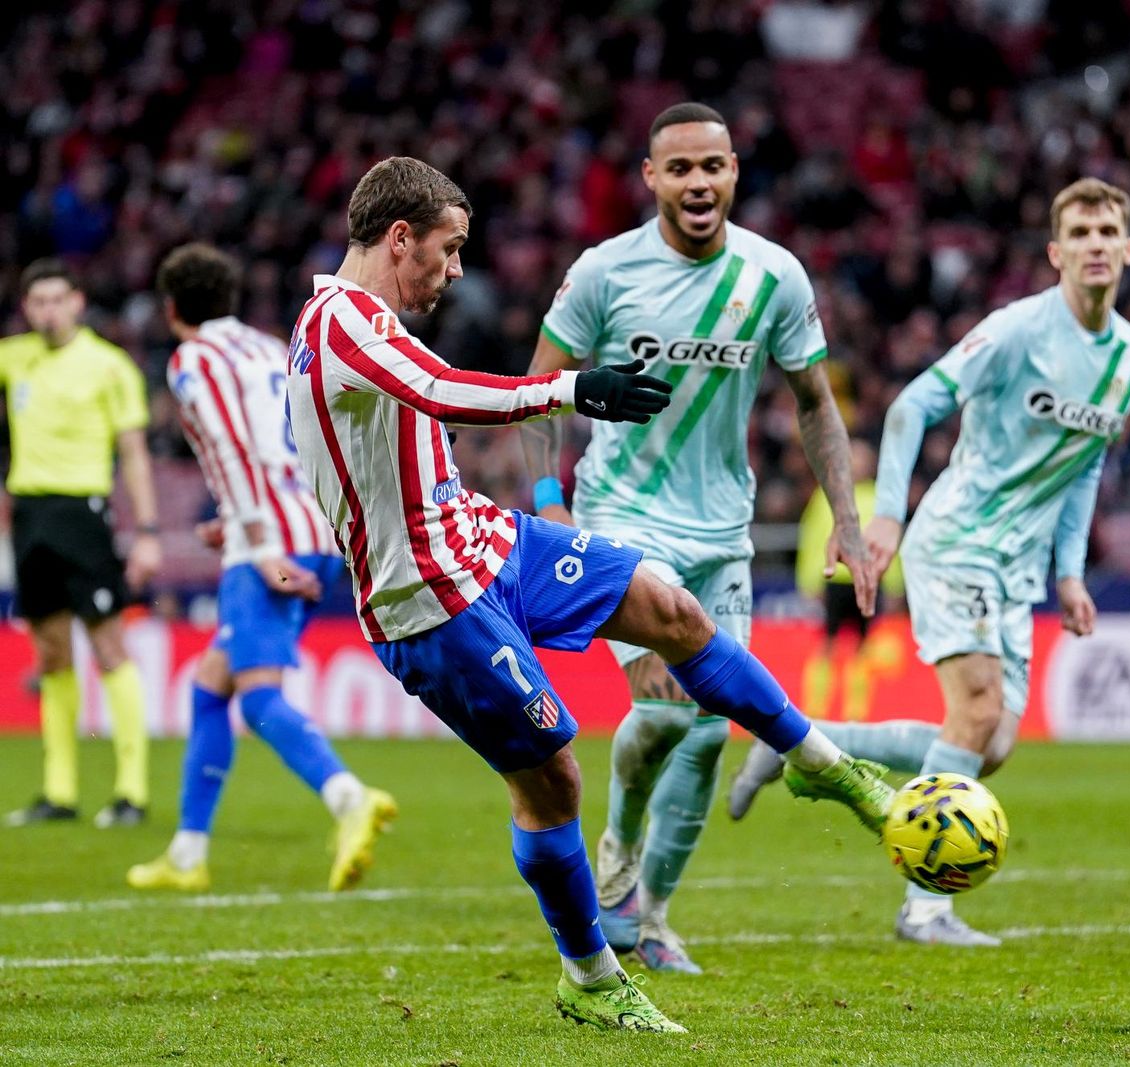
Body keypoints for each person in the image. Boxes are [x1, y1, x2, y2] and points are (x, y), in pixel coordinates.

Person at [287, 156, 891, 1032]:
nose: (457, 271)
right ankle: (591, 973)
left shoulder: (358, 320)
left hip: (486, 538)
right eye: (450, 251)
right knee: (555, 786)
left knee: (675, 612)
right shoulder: (340, 322)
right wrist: (576, 388)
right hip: (430, 600)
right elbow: (440, 391)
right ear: (400, 237)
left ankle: (827, 766)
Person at [730, 178, 1130, 946]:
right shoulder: (1016, 329)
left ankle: (807, 742)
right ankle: (924, 908)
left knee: (988, 744)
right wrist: (887, 514)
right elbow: (913, 404)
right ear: (1058, 253)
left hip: (1021, 566)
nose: (1096, 245)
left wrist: (1068, 572)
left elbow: (1084, 466)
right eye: (1081, 233)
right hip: (958, 537)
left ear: (1128, 250)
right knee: (978, 710)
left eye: (1108, 232)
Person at [521, 102, 877, 975]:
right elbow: (538, 387)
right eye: (678, 169)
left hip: (724, 527)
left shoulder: (776, 276)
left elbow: (814, 402)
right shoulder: (605, 272)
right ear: (650, 179)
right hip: (622, 518)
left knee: (709, 730)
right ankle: (618, 864)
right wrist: (548, 503)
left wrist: (850, 520)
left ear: (734, 172)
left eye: (711, 166)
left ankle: (654, 914)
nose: (697, 184)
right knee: (661, 701)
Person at [125, 243, 395, 893]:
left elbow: (234, 445)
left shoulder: (195, 360)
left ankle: (348, 796)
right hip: (309, 529)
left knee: (259, 693)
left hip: (269, 543)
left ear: (171, 309)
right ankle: (188, 853)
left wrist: (256, 536)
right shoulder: (270, 348)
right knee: (209, 686)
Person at [1, 259, 160, 828]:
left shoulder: (109, 366)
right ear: (26, 308)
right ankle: (60, 792)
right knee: (50, 654)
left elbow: (136, 454)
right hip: (31, 516)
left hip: (85, 514)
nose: (47, 310)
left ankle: (131, 793)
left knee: (108, 645)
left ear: (76, 301)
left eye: (56, 299)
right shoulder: (13, 358)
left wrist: (146, 533)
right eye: (36, 301)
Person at [795, 437, 905, 724]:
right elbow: (813, 537)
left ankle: (856, 714)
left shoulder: (881, 498)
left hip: (868, 580)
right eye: (852, 457)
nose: (857, 463)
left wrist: (892, 583)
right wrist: (809, 580)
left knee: (862, 648)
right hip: (836, 580)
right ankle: (815, 710)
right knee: (828, 645)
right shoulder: (827, 496)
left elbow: (889, 543)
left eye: (861, 458)